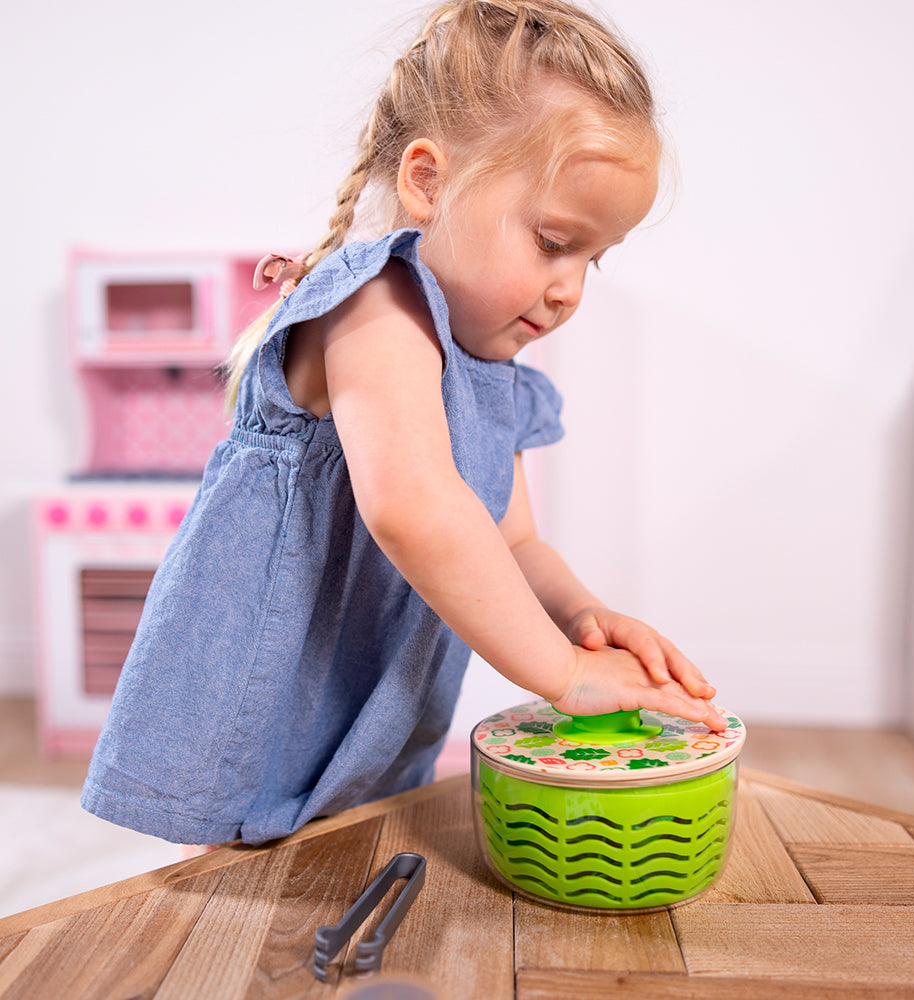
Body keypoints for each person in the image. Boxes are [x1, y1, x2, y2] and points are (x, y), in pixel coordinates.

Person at [82, 0, 726, 847]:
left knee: (339, 861)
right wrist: (563, 675)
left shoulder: (488, 367)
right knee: (246, 898)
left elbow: (514, 543)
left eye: (591, 259)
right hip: (266, 700)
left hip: (363, 711)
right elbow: (413, 504)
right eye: (552, 240)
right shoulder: (373, 304)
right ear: (428, 179)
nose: (570, 288)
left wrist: (585, 619)